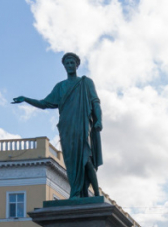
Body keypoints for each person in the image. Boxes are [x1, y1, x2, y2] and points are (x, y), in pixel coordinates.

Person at [12, 53, 103, 199]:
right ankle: (76, 193)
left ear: (77, 65)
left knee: (86, 159)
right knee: (71, 162)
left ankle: (97, 195)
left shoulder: (86, 82)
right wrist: (26, 99)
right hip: (66, 127)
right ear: (64, 66)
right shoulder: (60, 87)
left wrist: (99, 120)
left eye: (72, 62)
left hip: (82, 124)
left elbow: (95, 102)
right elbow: (44, 103)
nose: (69, 66)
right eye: (67, 63)